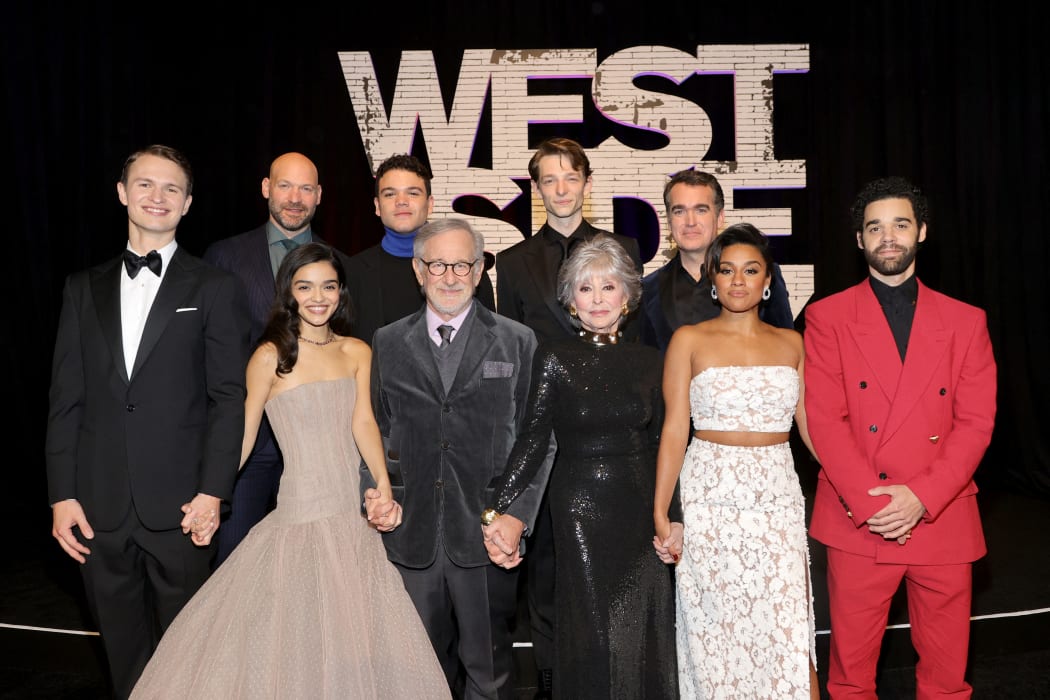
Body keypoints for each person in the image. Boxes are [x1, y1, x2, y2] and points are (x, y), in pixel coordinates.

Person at [130, 242, 451, 699]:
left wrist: (382, 483)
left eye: (328, 286)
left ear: (341, 293)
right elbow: (242, 436)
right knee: (297, 640)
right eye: (305, 286)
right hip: (300, 511)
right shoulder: (268, 357)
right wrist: (211, 494)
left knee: (358, 637)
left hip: (353, 515)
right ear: (289, 293)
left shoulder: (357, 351)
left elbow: (364, 421)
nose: (318, 297)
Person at [45, 144, 251, 698]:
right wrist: (61, 495)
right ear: (122, 194)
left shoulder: (214, 287)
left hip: (183, 510)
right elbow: (66, 399)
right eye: (144, 184)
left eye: (170, 189)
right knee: (122, 654)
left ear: (187, 204)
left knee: (190, 653)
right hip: (96, 508)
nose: (156, 197)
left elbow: (228, 399)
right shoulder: (80, 288)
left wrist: (213, 493)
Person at [803, 176, 997, 698]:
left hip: (942, 516)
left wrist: (922, 498)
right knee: (850, 677)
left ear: (923, 232)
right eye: (875, 227)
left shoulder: (966, 321)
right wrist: (877, 505)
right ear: (859, 240)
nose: (888, 237)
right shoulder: (826, 317)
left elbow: (976, 421)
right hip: (859, 519)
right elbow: (825, 419)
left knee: (946, 676)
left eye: (900, 224)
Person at [484, 234, 679, 700]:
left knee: (644, 621)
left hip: (640, 508)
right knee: (590, 627)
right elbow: (533, 438)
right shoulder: (554, 358)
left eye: (608, 287)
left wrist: (674, 517)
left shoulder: (651, 361)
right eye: (585, 289)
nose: (597, 300)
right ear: (570, 299)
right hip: (579, 510)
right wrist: (496, 506)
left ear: (628, 296)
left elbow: (661, 446)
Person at [367, 218, 553, 699]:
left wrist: (517, 518)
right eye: (437, 265)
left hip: (488, 534)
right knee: (416, 674)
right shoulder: (386, 343)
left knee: (490, 673)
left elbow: (539, 439)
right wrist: (374, 494)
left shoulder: (517, 341)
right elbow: (373, 431)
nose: (450, 276)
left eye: (463, 265)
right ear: (418, 270)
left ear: (478, 271)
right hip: (411, 537)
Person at [494, 137, 643, 695]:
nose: (560, 189)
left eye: (570, 177)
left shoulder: (623, 248)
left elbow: (638, 345)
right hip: (545, 435)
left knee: (618, 566)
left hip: (610, 439)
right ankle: (557, 677)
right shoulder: (510, 264)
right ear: (536, 190)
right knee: (549, 569)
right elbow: (508, 357)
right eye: (548, 180)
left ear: (585, 182)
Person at [653, 223, 818, 699]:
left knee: (785, 624)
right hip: (710, 494)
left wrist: (851, 483)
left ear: (768, 280)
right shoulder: (688, 339)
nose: (739, 281)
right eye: (727, 270)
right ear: (713, 279)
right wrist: (662, 511)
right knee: (714, 630)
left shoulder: (793, 343)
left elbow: (809, 426)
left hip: (776, 495)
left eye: (751, 270)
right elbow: (673, 429)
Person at [203, 152, 352, 567]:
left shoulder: (338, 263)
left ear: (319, 196)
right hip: (249, 445)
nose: (295, 198)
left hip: (317, 450)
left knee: (316, 571)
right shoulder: (224, 256)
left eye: (306, 188)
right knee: (236, 565)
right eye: (285, 185)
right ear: (266, 189)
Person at [346, 153, 495, 345]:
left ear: (430, 204)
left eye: (413, 193)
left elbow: (491, 342)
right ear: (377, 206)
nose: (401, 201)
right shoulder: (353, 272)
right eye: (390, 194)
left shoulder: (465, 266)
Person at [640, 168, 794, 352]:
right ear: (668, 221)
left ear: (720, 217)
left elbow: (787, 350)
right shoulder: (647, 289)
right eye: (679, 211)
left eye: (701, 210)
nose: (690, 222)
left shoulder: (759, 276)